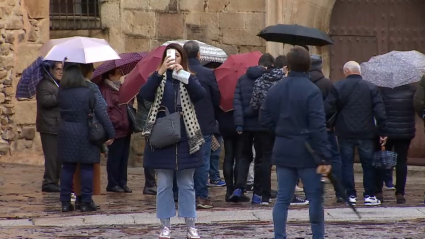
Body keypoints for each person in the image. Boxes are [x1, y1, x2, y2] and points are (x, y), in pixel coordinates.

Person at [260, 46, 331, 239]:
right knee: (315, 197)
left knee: (283, 198)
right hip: (309, 152)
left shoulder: (276, 88)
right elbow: (318, 126)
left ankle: (279, 235)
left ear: (288, 65)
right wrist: (324, 154)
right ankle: (318, 236)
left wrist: (281, 131)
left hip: (283, 148)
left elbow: (264, 118)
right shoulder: (312, 90)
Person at [139, 43, 205, 239]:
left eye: (177, 56)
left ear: (182, 59)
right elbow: (145, 95)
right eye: (170, 55)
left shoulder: (188, 77)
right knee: (164, 184)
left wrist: (185, 75)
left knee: (187, 184)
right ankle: (165, 226)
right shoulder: (158, 78)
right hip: (163, 137)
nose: (173, 59)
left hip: (187, 137)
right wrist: (159, 72)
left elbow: (200, 95)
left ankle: (190, 225)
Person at [325, 61, 387, 206]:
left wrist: (329, 124)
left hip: (344, 131)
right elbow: (380, 112)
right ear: (359, 72)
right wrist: (383, 132)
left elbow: (328, 109)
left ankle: (350, 194)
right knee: (368, 164)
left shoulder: (338, 86)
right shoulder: (371, 87)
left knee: (346, 163)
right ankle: (369, 195)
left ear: (346, 71)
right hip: (366, 132)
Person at [58, 64, 115, 212]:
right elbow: (101, 113)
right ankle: (86, 201)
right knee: (87, 167)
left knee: (67, 168)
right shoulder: (88, 92)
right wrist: (110, 133)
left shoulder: (61, 92)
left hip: (66, 132)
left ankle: (65, 202)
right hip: (85, 132)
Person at [230, 53, 274, 204]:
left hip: (246, 124)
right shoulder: (268, 79)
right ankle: (257, 193)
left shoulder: (242, 79)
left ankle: (239, 187)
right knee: (260, 159)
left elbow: (236, 102)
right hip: (263, 125)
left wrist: (239, 123)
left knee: (243, 157)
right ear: (269, 66)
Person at [183, 41, 221, 209]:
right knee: (202, 161)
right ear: (199, 55)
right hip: (204, 122)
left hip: (183, 123)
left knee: (183, 160)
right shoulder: (207, 73)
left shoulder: (179, 72)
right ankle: (201, 196)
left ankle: (182, 195)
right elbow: (216, 98)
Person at [250, 55, 285, 205]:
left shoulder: (259, 81)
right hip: (282, 124)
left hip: (264, 124)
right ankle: (285, 193)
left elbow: (254, 104)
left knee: (265, 159)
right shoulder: (284, 82)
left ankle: (265, 195)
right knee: (284, 161)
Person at [309, 54, 343, 203]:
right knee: (332, 159)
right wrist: (329, 123)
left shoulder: (304, 83)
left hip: (307, 130)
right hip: (325, 129)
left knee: (310, 160)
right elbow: (334, 107)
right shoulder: (328, 84)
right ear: (320, 66)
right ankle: (339, 192)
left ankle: (311, 191)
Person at [375, 84, 416, 204]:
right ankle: (400, 193)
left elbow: (379, 111)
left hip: (387, 131)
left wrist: (381, 130)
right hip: (405, 131)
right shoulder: (412, 90)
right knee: (402, 161)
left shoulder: (383, 90)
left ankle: (378, 191)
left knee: (381, 160)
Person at [100, 68, 133, 193]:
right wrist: (117, 123)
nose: (121, 75)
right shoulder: (106, 90)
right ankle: (113, 183)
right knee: (115, 157)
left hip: (126, 128)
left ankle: (122, 182)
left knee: (124, 158)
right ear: (110, 75)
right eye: (118, 73)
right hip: (116, 129)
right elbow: (108, 110)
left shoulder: (120, 88)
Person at [36, 61, 63, 193]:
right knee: (52, 157)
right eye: (57, 69)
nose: (60, 72)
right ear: (51, 70)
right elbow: (45, 101)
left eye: (62, 69)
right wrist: (60, 94)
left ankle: (55, 181)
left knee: (58, 157)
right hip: (48, 126)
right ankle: (49, 182)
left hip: (57, 126)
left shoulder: (57, 84)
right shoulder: (44, 84)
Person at [135, 97, 157, 195]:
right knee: (151, 154)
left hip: (149, 122)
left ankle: (151, 184)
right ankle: (150, 184)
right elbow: (151, 105)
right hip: (149, 123)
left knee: (151, 153)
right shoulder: (148, 86)